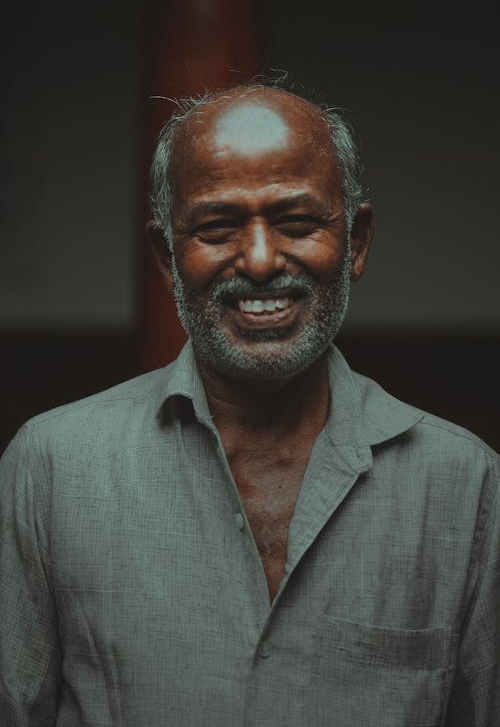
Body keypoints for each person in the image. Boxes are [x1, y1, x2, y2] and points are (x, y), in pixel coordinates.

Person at [0, 78, 498, 727]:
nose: (261, 261)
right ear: (166, 257)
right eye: (217, 226)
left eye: (295, 221)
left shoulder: (467, 486)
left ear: (358, 241)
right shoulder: (52, 468)